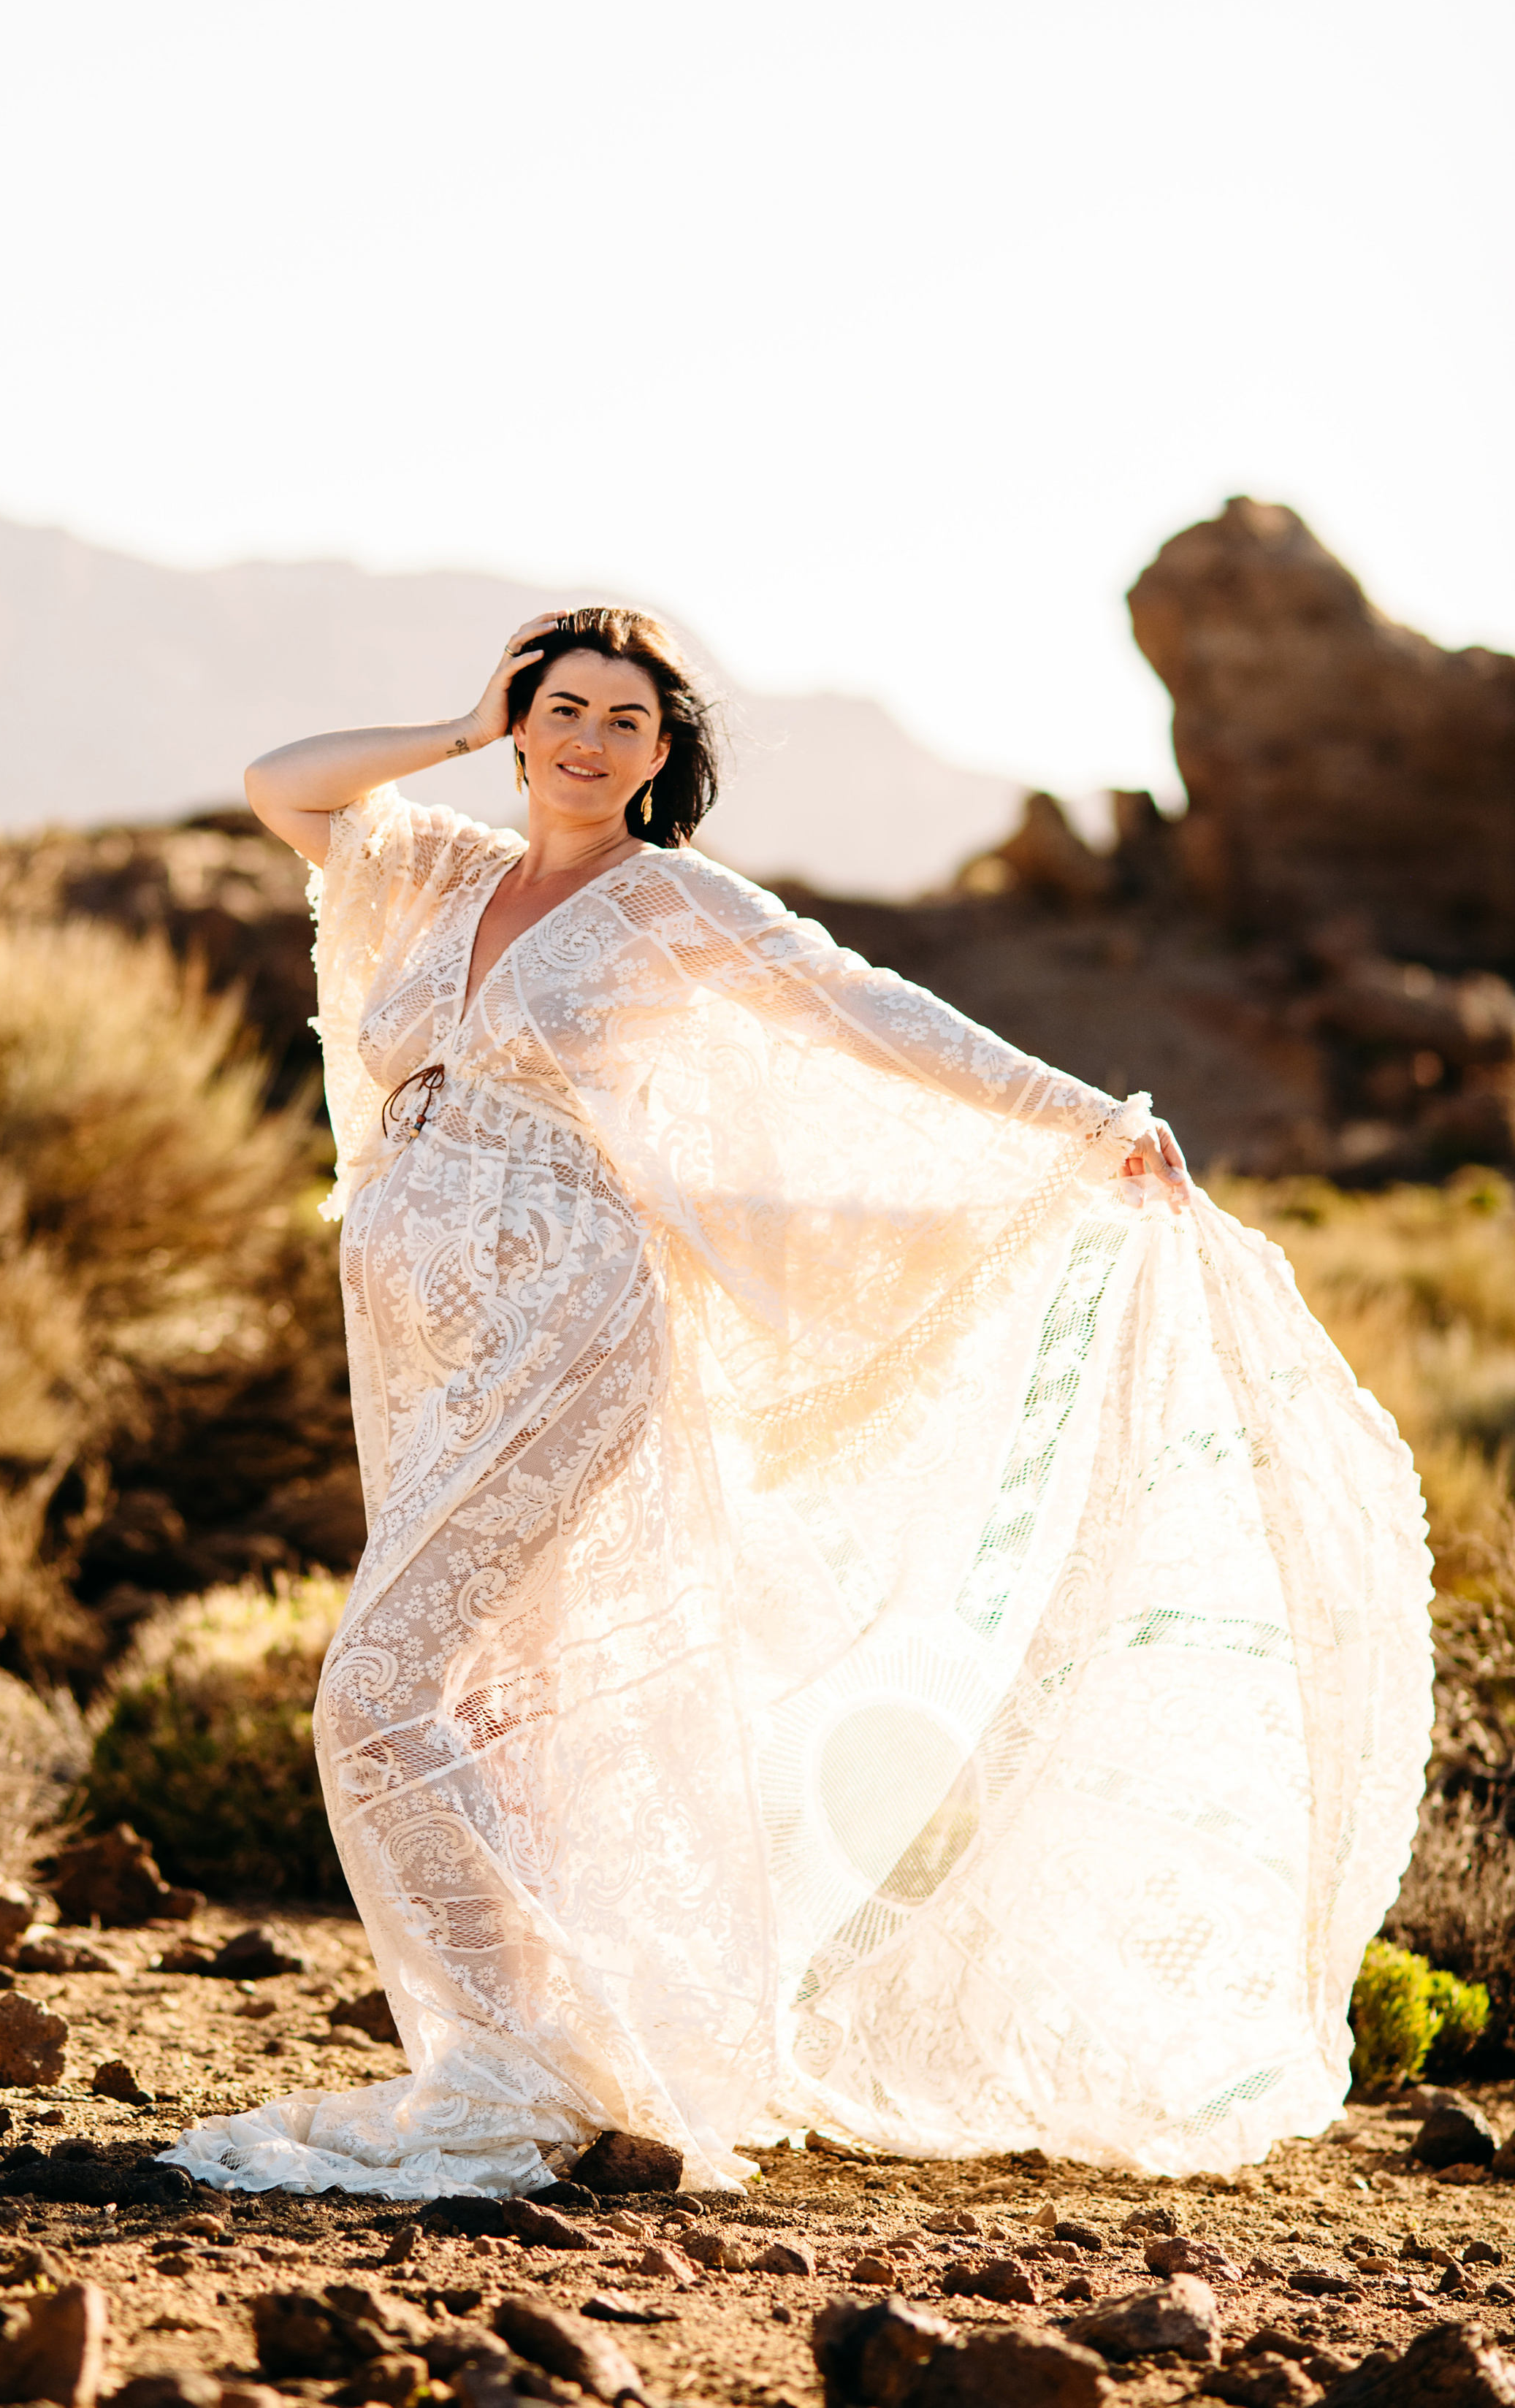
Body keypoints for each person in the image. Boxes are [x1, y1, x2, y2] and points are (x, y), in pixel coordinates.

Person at [164, 606, 1432, 2203]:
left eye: (625, 722)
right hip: (428, 1355)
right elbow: (278, 782)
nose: (587, 741)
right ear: (521, 721)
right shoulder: (434, 870)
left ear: (661, 757)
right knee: (493, 1711)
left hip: (569, 1332)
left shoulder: (670, 899)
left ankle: (508, 2069)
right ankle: (568, 2046)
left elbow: (865, 1009)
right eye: (562, 709)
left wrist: (1078, 1118)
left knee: (378, 1688)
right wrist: (461, 721)